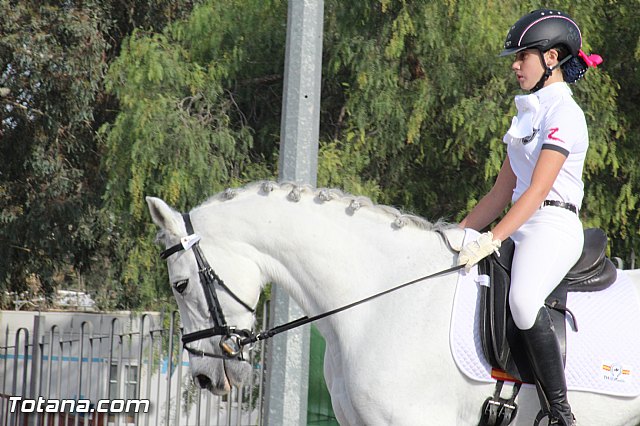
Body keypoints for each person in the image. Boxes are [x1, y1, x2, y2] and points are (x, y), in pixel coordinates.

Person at [456, 9, 602, 426]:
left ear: (552, 58)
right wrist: (460, 232)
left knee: (523, 301)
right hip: (520, 223)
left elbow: (538, 190)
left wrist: (492, 237)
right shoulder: (527, 113)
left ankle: (560, 413)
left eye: (523, 56)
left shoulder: (565, 115)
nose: (515, 65)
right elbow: (502, 191)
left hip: (552, 225)